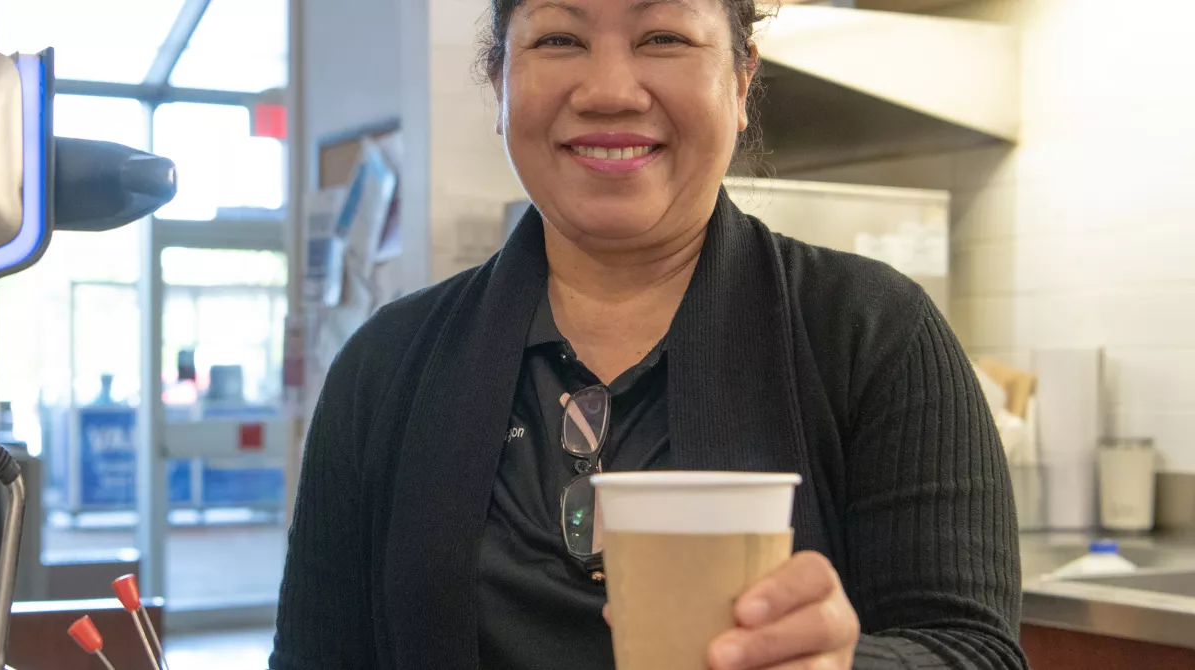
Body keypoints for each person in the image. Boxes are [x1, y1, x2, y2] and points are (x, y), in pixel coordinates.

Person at [271, 0, 1024, 668]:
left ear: (741, 81)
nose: (609, 91)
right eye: (559, 39)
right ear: (500, 82)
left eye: (663, 37)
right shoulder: (387, 363)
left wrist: (844, 666)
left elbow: (974, 650)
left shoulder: (875, 332)